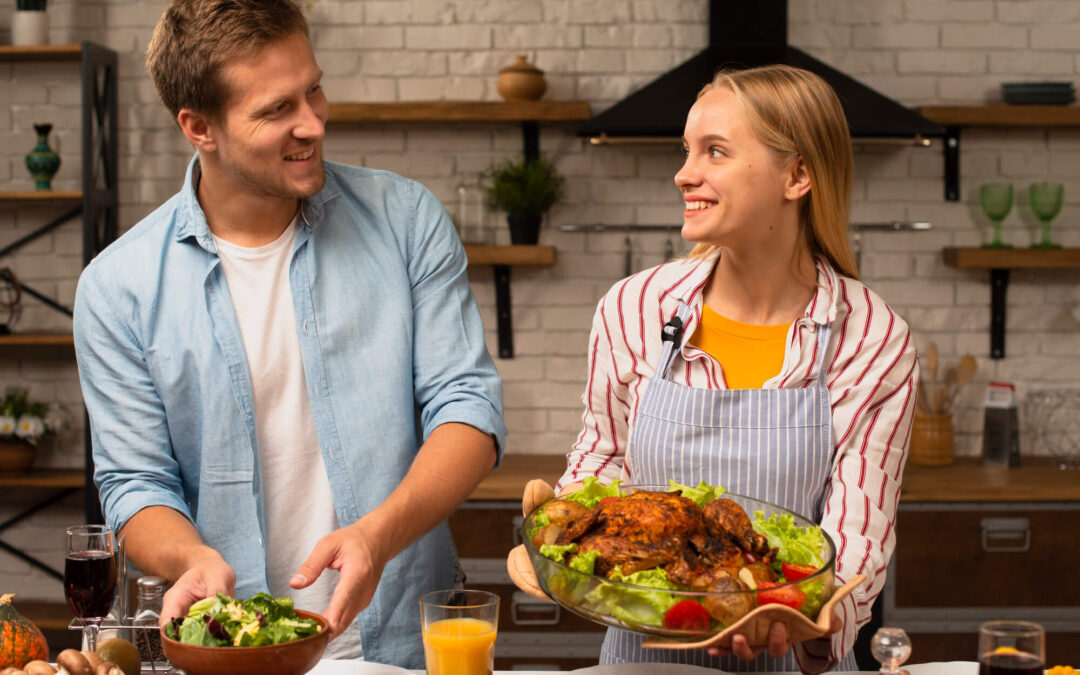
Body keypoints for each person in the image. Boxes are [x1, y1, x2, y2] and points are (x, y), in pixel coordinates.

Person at [72, 0, 505, 667]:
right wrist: (189, 556)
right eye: (277, 109)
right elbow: (135, 482)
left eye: (314, 91)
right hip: (228, 649)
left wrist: (378, 534)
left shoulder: (406, 220)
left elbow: (469, 411)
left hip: (404, 643)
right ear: (199, 127)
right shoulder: (117, 287)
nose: (313, 123)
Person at [509, 65, 918, 671]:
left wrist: (805, 617)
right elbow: (603, 457)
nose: (684, 173)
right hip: (643, 662)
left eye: (715, 151)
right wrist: (558, 532)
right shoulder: (635, 307)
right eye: (686, 150)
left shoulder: (872, 339)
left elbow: (858, 536)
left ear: (797, 176)